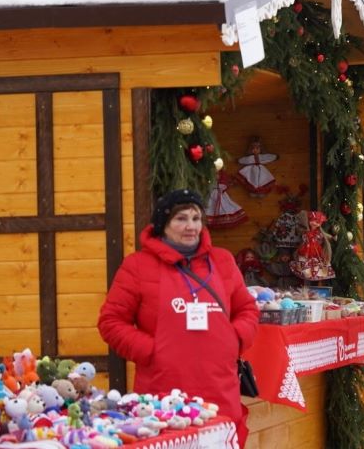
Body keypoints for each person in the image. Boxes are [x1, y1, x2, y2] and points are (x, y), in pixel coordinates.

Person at [98, 189, 259, 443]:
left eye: (196, 218)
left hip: (220, 388)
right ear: (163, 225)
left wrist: (234, 339)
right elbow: (111, 321)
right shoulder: (138, 266)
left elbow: (247, 309)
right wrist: (151, 350)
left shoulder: (223, 261)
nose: (191, 226)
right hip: (163, 394)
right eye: (181, 219)